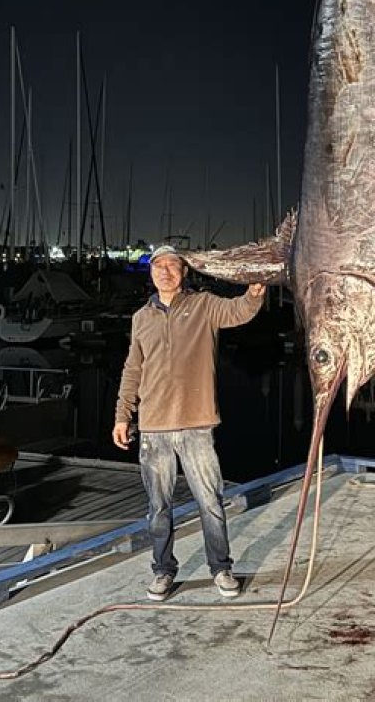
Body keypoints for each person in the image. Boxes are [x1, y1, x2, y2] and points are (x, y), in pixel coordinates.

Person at [113, 244, 265, 602]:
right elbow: (132, 370)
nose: (164, 271)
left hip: (196, 425)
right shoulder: (141, 318)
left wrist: (254, 293)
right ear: (151, 273)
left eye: (172, 265)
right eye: (158, 265)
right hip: (153, 429)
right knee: (158, 508)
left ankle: (221, 568)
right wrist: (123, 416)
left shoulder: (204, 305)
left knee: (210, 501)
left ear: (183, 272)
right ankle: (163, 571)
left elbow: (238, 311)